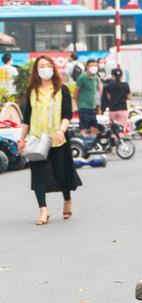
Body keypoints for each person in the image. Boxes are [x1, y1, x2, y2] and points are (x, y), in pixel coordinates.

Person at [17, 56, 82, 225]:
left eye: (48, 65)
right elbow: (27, 118)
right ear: (36, 71)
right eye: (42, 66)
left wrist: (61, 130)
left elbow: (67, 114)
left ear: (53, 68)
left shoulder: (62, 89)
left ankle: (67, 199)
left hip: (57, 138)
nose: (45, 68)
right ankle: (43, 211)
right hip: (37, 139)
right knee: (38, 175)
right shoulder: (32, 91)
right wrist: (22, 139)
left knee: (61, 174)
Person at [73, 59, 101, 137]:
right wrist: (75, 104)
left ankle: (91, 144)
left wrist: (98, 106)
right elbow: (76, 93)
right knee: (84, 128)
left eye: (95, 65)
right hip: (83, 107)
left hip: (92, 107)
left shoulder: (96, 77)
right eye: (91, 66)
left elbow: (98, 90)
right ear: (87, 67)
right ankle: (83, 144)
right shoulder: (82, 77)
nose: (94, 67)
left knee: (94, 127)